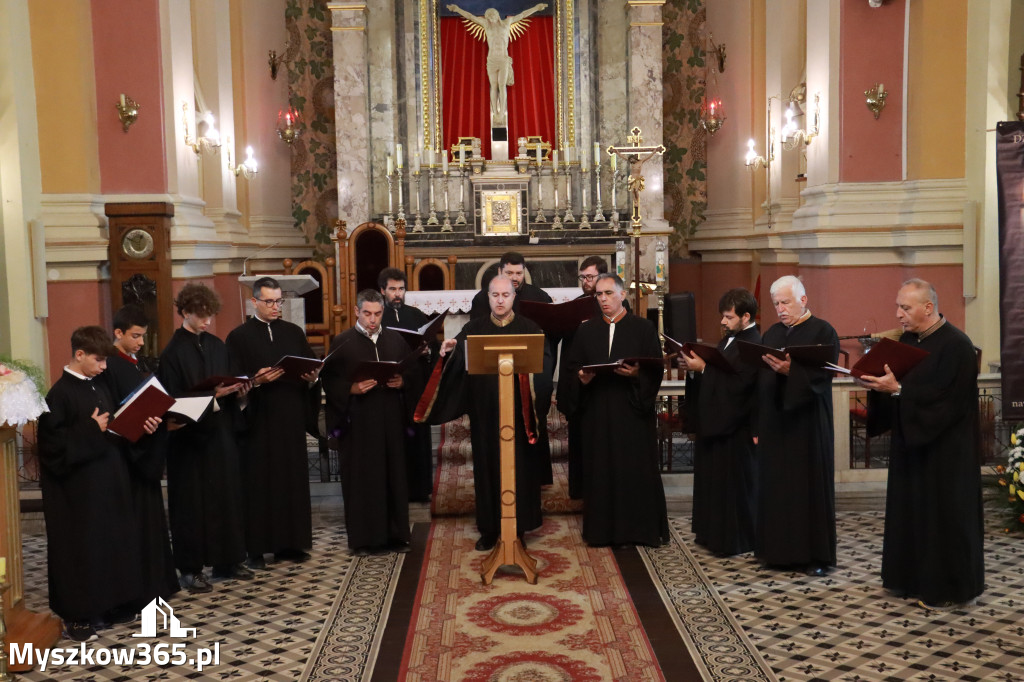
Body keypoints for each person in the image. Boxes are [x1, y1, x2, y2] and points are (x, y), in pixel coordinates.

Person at [857, 279, 984, 607]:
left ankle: (946, 588)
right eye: (898, 307)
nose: (898, 314)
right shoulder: (907, 341)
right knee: (911, 515)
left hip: (946, 452)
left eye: (905, 307)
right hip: (910, 445)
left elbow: (949, 401)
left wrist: (899, 390)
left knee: (943, 520)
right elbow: (898, 385)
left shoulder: (957, 346)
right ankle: (908, 579)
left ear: (928, 308)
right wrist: (878, 385)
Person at [418, 275, 548, 551]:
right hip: (485, 414)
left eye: (505, 295)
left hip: (518, 415)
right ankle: (489, 528)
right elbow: (457, 360)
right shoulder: (473, 329)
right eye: (495, 295)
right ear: (487, 297)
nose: (500, 300)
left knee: (519, 469)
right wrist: (448, 351)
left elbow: (542, 367)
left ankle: (518, 528)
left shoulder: (530, 329)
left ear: (514, 297)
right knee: (487, 469)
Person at [37, 326, 150, 642]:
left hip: (109, 482)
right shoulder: (58, 395)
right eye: (98, 360)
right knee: (82, 551)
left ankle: (110, 604)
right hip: (78, 492)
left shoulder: (98, 385)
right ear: (79, 354)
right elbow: (51, 449)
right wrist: (90, 429)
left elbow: (111, 428)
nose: (103, 367)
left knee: (111, 543)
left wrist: (138, 422)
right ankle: (77, 616)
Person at [158, 283, 254, 592]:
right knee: (191, 506)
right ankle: (191, 569)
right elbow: (171, 401)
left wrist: (239, 392)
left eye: (210, 315)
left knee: (226, 497)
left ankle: (228, 560)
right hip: (189, 442)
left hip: (220, 434)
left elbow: (228, 383)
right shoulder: (172, 353)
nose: (207, 322)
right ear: (185, 312)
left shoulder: (217, 345)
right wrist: (212, 396)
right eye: (201, 316)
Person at [563, 273, 668, 547]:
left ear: (623, 295)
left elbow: (655, 370)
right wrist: (581, 379)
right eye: (599, 294)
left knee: (632, 470)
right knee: (600, 471)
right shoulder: (586, 330)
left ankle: (637, 531)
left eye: (609, 293)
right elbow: (571, 369)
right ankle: (601, 532)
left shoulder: (643, 328)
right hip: (597, 414)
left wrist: (636, 375)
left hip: (631, 414)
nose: (603, 299)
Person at [226, 276, 319, 568]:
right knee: (259, 483)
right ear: (254, 302)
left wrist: (313, 377)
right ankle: (256, 549)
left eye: (279, 301)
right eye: (269, 301)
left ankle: (290, 544)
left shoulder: (293, 332)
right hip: (258, 420)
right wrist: (256, 381)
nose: (275, 306)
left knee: (291, 480)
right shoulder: (238, 337)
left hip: (290, 418)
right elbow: (233, 382)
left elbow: (311, 366)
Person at [754, 275, 838, 576]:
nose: (780, 309)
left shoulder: (823, 331)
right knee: (776, 487)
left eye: (786, 302)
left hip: (807, 425)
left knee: (807, 489)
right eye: (776, 303)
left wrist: (793, 372)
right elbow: (762, 378)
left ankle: (813, 557)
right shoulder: (772, 333)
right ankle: (776, 552)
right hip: (776, 422)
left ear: (803, 300)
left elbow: (823, 377)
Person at [321, 289, 414, 556]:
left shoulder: (395, 339)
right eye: (367, 314)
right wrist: (350, 388)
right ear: (356, 312)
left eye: (377, 314)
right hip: (358, 423)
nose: (372, 320)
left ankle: (396, 535)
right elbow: (330, 380)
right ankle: (363, 540)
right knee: (361, 479)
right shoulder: (342, 342)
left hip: (390, 421)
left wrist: (403, 382)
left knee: (393, 475)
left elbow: (412, 371)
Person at [99, 306, 180, 608]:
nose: (141, 342)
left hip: (144, 451)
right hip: (128, 458)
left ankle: (157, 583)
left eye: (143, 336)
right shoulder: (109, 366)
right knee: (135, 525)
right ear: (118, 333)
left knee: (151, 521)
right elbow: (113, 411)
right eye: (135, 336)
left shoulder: (134, 364)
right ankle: (142, 587)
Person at [678, 288, 760, 556]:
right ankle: (711, 534)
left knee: (732, 488)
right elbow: (719, 374)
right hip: (716, 426)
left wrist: (703, 369)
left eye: (729, 317)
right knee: (713, 485)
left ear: (746, 317)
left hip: (735, 430)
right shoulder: (729, 340)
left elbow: (740, 387)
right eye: (722, 316)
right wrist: (696, 371)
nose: (723, 322)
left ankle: (734, 540)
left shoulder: (753, 344)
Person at [470, 252, 555, 485]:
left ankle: (536, 478)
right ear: (500, 271)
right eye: (510, 273)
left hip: (529, 379)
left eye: (519, 273)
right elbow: (475, 336)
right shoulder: (481, 299)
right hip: (491, 380)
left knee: (531, 426)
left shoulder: (540, 297)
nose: (515, 277)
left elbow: (549, 338)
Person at [378, 267, 435, 503]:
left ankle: (419, 490)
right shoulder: (377, 316)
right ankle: (394, 490)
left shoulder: (417, 315)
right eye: (392, 289)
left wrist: (428, 351)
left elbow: (431, 346)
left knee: (416, 439)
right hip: (388, 390)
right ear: (383, 291)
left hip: (414, 387)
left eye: (401, 289)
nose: (397, 294)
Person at [555, 255, 611, 499]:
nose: (586, 282)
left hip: (603, 382)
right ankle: (578, 489)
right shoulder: (576, 304)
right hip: (577, 379)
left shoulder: (613, 305)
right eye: (583, 277)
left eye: (590, 277)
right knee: (578, 436)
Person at [446, 3, 548, 125]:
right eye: (488, 16)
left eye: (492, 15)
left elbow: (523, 14)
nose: (490, 17)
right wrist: (457, 9)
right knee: (493, 85)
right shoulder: (486, 25)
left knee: (502, 85)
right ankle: (495, 112)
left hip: (503, 59)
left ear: (497, 15)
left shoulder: (507, 23)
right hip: (492, 60)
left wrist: (536, 8)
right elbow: (470, 16)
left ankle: (501, 113)